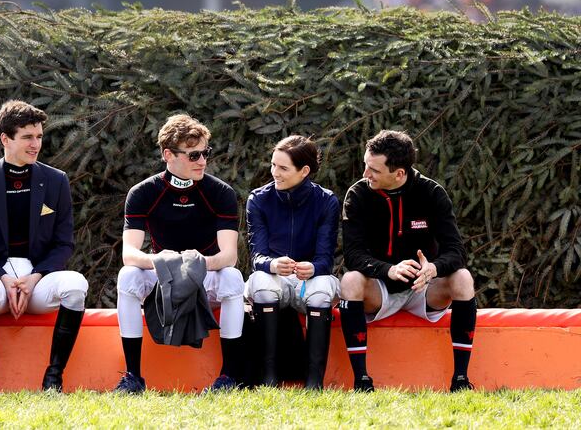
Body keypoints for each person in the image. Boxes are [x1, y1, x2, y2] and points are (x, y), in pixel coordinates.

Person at [0, 100, 88, 393]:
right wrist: (3, 278)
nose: (36, 144)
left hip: (38, 277)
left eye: (40, 136)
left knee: (76, 285)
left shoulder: (56, 180)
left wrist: (34, 278)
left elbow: (64, 242)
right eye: (28, 137)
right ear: (5, 139)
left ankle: (54, 377)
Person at [113, 114, 244, 393]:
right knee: (127, 276)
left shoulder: (221, 192)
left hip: (204, 273)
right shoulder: (142, 192)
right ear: (168, 155)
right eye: (194, 155)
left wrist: (195, 263)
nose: (202, 161)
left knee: (232, 277)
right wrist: (165, 262)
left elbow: (229, 256)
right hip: (163, 274)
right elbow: (130, 253)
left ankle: (228, 377)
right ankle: (133, 377)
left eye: (205, 153)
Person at [339, 130, 476, 392]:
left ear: (399, 173)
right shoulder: (357, 194)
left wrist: (434, 268)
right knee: (350, 280)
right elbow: (353, 255)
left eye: (373, 169)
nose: (366, 173)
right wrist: (388, 270)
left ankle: (460, 379)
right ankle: (361, 381)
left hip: (424, 290)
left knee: (463, 277)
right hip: (379, 289)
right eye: (366, 165)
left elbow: (456, 251)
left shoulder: (432, 192)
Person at [245, 135, 340, 389]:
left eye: (283, 168)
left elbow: (325, 258)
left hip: (308, 281)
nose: (274, 172)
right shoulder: (258, 199)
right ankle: (269, 377)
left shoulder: (327, 201)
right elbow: (257, 256)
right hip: (274, 278)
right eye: (273, 165)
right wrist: (273, 265)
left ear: (304, 171)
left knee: (322, 288)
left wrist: (313, 268)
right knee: (262, 281)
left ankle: (314, 381)